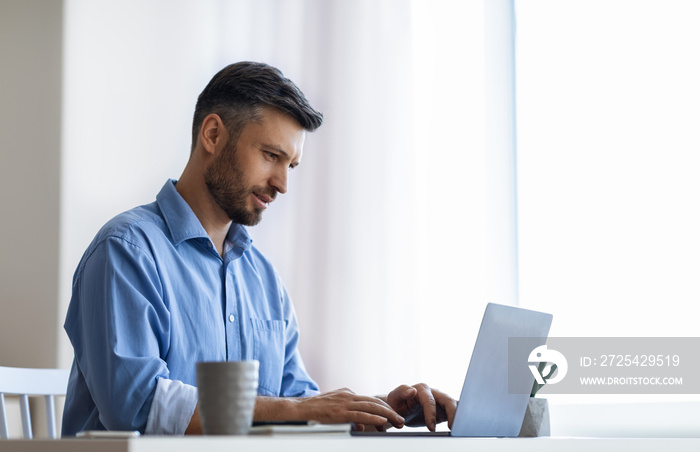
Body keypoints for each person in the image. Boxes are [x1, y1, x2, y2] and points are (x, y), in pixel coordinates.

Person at [62, 61, 457, 436]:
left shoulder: (262, 278)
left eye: (292, 166)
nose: (282, 183)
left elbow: (297, 403)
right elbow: (136, 404)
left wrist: (377, 409)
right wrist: (302, 410)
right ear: (212, 135)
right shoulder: (126, 251)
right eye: (271, 156)